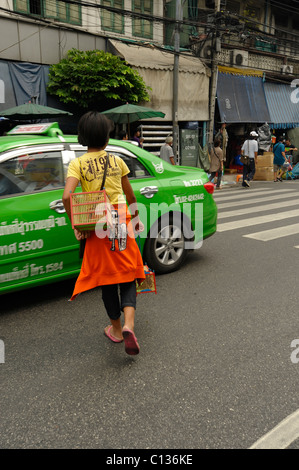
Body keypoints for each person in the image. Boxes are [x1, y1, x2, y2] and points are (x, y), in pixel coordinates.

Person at [62, 111, 146, 355]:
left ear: (82, 137)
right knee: (128, 274)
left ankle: (117, 330)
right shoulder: (117, 160)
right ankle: (130, 324)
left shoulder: (77, 163)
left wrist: (76, 225)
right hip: (121, 217)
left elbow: (67, 196)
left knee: (107, 279)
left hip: (97, 223)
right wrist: (137, 219)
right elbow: (130, 195)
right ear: (108, 138)